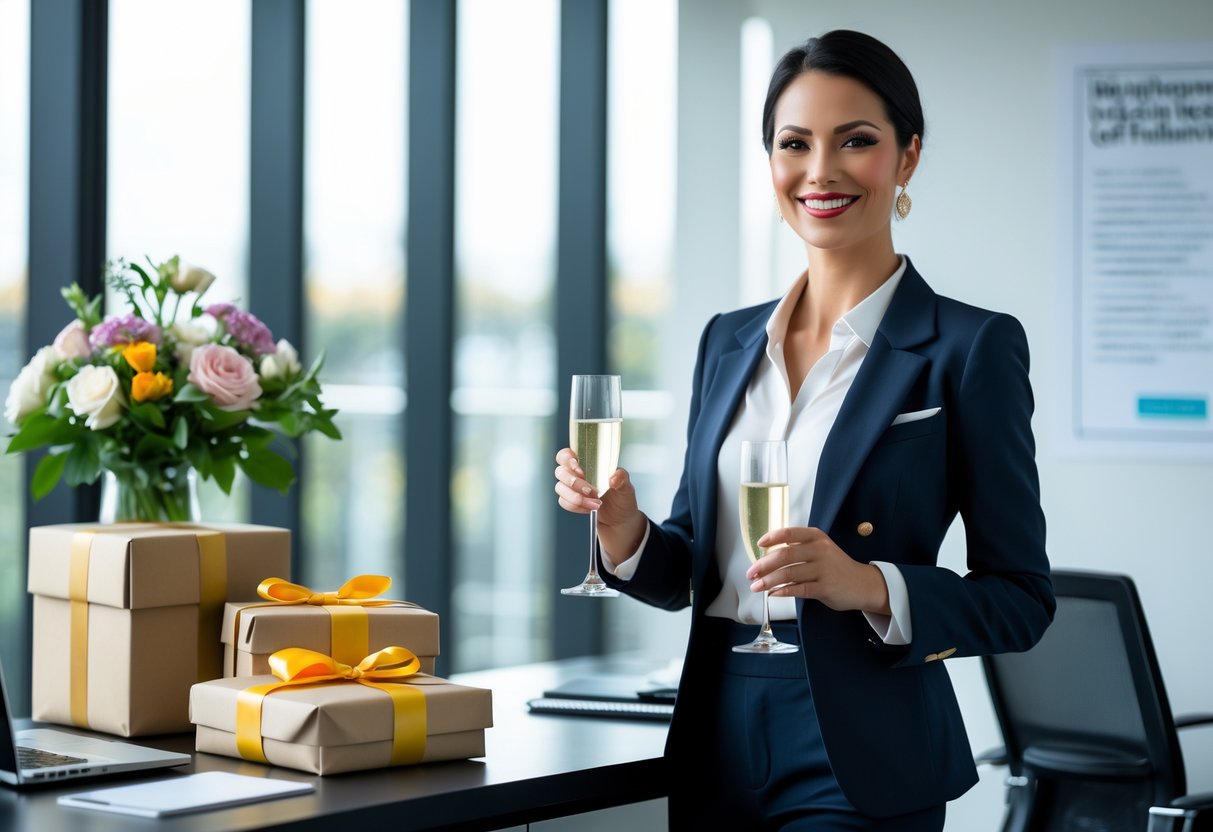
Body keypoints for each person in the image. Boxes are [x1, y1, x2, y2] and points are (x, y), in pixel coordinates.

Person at [554, 28, 1053, 832]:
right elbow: (688, 569)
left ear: (907, 158)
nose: (820, 171)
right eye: (795, 144)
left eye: (855, 141)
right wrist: (624, 533)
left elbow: (1022, 600)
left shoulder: (970, 347)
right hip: (714, 724)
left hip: (861, 748)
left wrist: (867, 584)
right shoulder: (726, 339)